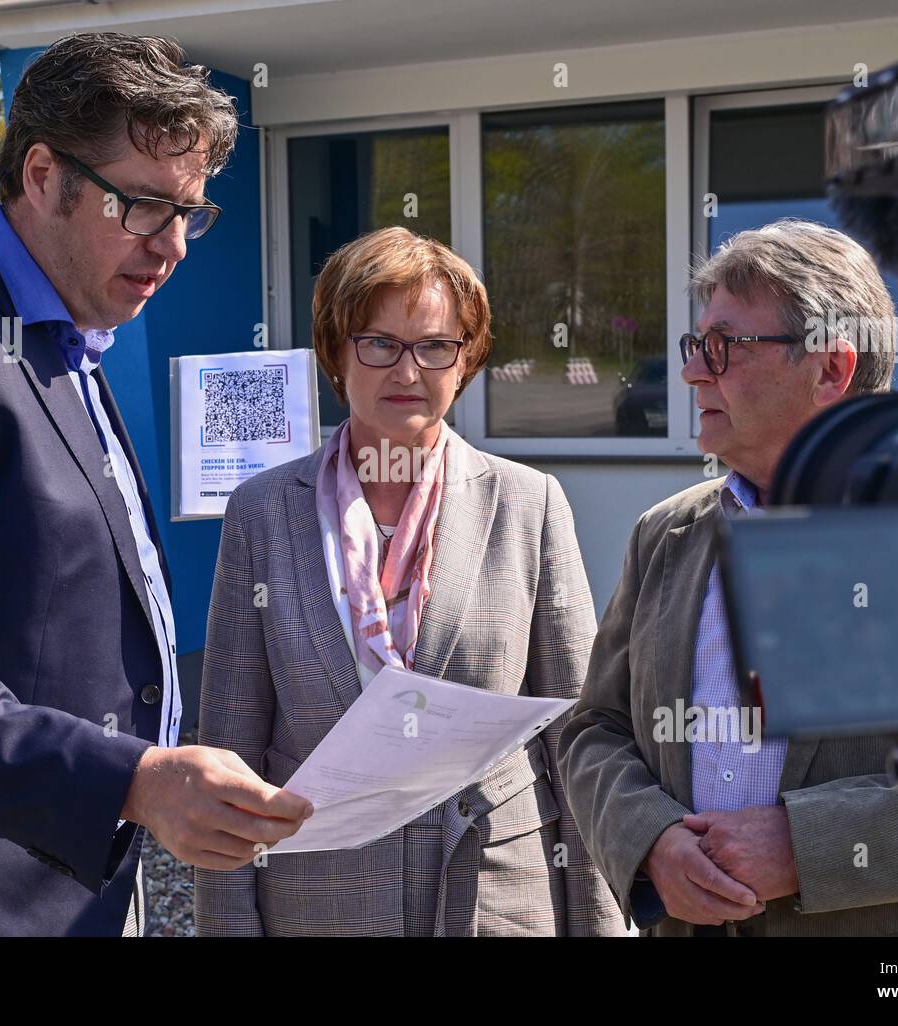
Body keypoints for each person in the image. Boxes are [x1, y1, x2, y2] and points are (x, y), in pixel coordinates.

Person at [0, 32, 310, 937]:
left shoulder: (66, 337)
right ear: (42, 176)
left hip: (74, 881)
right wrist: (131, 781)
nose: (176, 246)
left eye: (192, 212)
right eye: (146, 206)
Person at [559, 219, 898, 936]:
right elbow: (595, 730)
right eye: (695, 346)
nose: (693, 371)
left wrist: (810, 844)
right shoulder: (665, 535)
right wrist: (652, 842)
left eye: (723, 347)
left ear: (831, 367)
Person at [195, 226, 625, 936]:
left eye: (434, 346)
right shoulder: (264, 512)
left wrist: (600, 922)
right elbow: (231, 751)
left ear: (466, 359)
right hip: (321, 899)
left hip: (496, 895)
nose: (407, 371)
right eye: (379, 343)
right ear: (337, 351)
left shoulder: (527, 502)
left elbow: (579, 739)